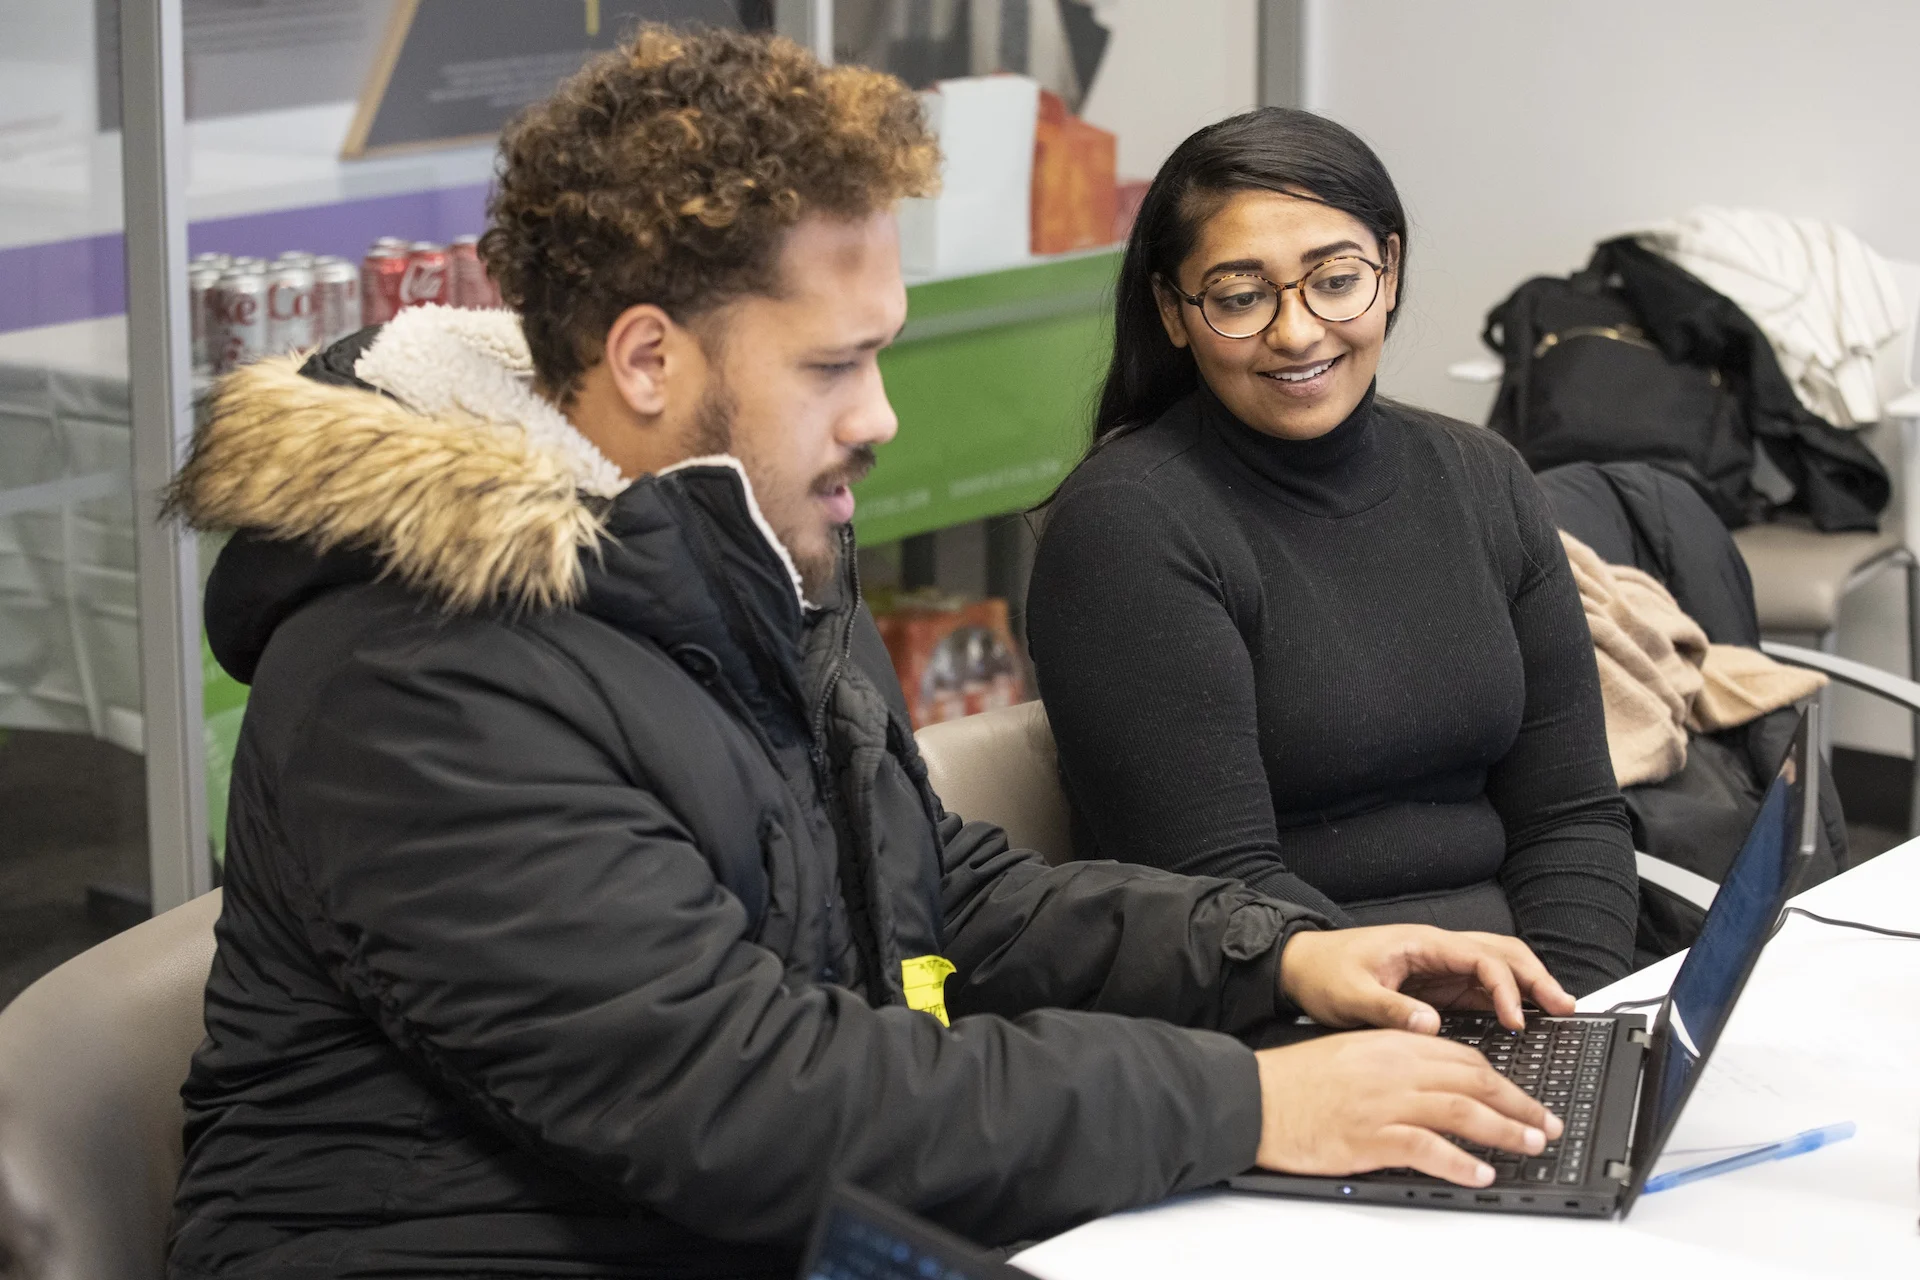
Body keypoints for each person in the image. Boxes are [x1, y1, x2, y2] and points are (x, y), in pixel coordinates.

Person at [165, 32, 1574, 1280]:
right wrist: (1251, 1101)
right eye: (834, 365)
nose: (879, 416)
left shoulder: (729, 539)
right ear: (648, 361)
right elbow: (744, 1101)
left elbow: (930, 888)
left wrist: (1281, 955)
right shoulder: (416, 673)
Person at [1026, 108, 1640, 997]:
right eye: (1241, 297)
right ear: (1173, 311)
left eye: (1336, 281)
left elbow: (1572, 816)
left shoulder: (1483, 477)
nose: (1298, 331)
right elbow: (1222, 894)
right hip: (1285, 1009)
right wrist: (1435, 1037)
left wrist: (1569, 1013)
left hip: (1514, 999)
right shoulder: (1128, 527)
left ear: (1388, 273)